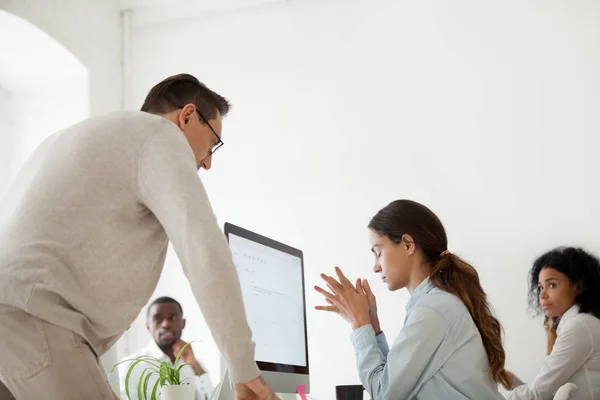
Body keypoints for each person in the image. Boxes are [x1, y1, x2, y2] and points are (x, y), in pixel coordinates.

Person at [0, 74, 277, 400]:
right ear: (187, 116)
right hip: (38, 321)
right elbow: (203, 250)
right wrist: (244, 369)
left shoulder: (72, 138)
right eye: (213, 142)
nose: (208, 161)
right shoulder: (160, 136)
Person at [314, 199, 510, 399]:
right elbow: (397, 382)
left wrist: (359, 324)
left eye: (378, 253)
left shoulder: (432, 311)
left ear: (408, 245)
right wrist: (372, 328)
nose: (375, 266)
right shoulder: (436, 304)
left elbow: (384, 394)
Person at [506, 247, 600, 399]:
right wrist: (507, 380)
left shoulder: (579, 326)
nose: (542, 295)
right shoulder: (580, 323)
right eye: (540, 287)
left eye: (552, 285)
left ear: (578, 286)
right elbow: (546, 393)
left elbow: (539, 394)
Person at [119, 297, 214, 400]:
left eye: (172, 318)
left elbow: (214, 397)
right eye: (158, 319)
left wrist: (194, 364)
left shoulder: (193, 364)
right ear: (148, 326)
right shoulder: (130, 365)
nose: (166, 324)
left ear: (183, 323)